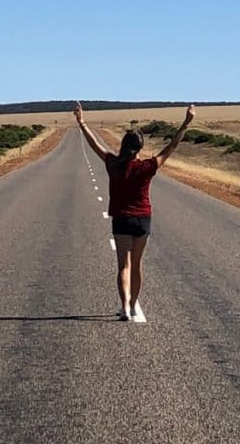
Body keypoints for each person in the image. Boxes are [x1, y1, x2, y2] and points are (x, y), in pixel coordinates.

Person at [74, 101, 195, 322]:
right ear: (139, 148)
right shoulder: (147, 167)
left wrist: (82, 123)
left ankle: (124, 308)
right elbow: (170, 148)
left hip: (121, 219)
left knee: (123, 265)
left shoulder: (113, 164)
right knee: (137, 264)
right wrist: (186, 123)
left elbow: (94, 146)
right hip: (142, 219)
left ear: (123, 145)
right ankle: (132, 305)